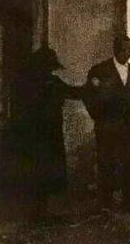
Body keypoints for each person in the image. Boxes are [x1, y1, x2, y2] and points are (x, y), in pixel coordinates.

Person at [9, 47, 85, 223]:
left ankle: (37, 211)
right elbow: (74, 93)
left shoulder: (25, 82)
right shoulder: (50, 82)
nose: (50, 70)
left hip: (32, 135)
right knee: (44, 170)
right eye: (49, 66)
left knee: (36, 171)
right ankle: (39, 213)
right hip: (46, 134)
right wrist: (93, 86)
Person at [85, 35, 130, 212]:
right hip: (108, 126)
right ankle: (106, 202)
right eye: (125, 50)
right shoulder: (100, 70)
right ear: (116, 50)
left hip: (129, 126)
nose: (128, 53)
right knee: (107, 162)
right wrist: (99, 117)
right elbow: (89, 96)